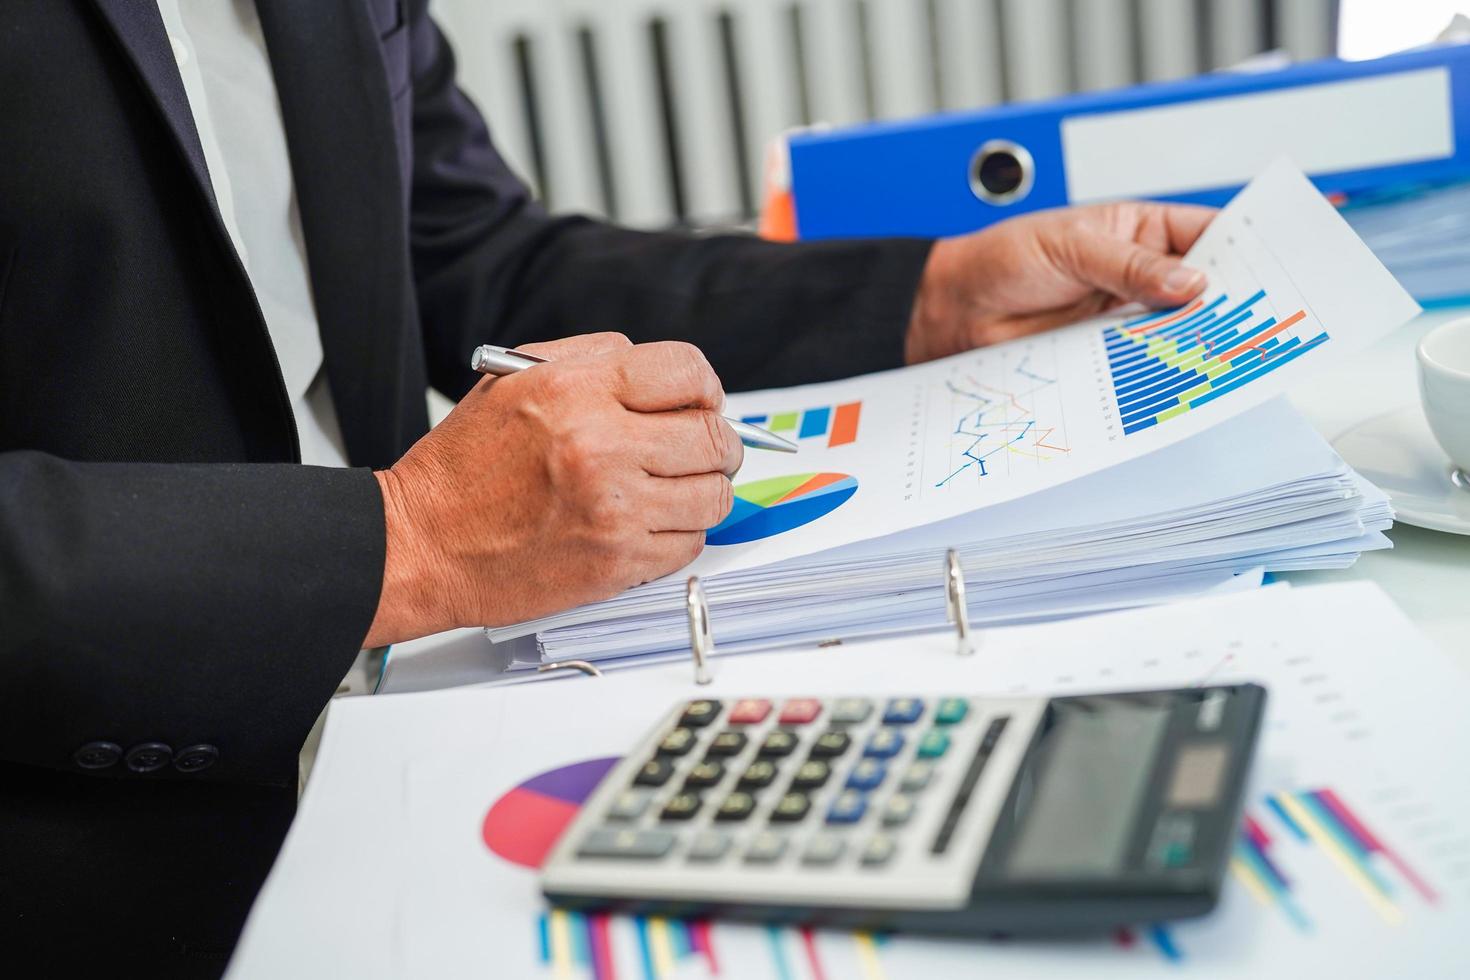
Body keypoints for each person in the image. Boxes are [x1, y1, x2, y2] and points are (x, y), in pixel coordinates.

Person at [0, 1, 1211, 974]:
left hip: (416, 717)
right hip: (101, 837)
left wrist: (927, 296)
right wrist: (409, 539)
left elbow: (474, 256)